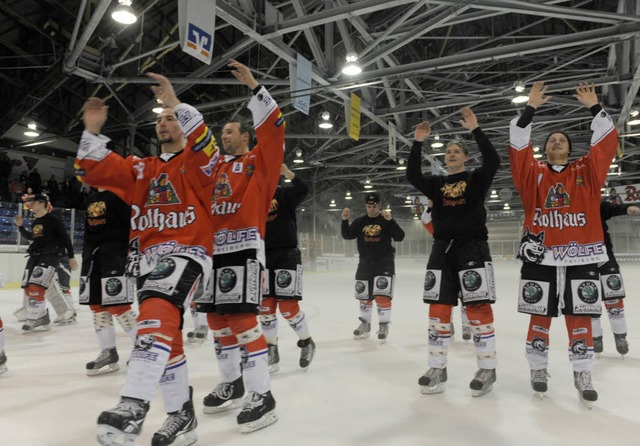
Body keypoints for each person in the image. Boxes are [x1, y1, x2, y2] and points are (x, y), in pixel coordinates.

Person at [77, 69, 219, 446]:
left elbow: (208, 147)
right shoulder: (143, 169)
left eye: (171, 118)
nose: (163, 123)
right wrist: (92, 131)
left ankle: (133, 402)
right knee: (167, 335)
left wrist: (176, 102)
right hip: (149, 260)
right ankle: (181, 416)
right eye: (159, 119)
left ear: (184, 126)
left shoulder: (198, 163)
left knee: (154, 315)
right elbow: (92, 170)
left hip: (187, 251)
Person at [509, 81, 618, 406]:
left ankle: (582, 371)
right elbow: (517, 146)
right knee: (539, 315)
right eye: (551, 140)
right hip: (540, 257)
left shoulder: (588, 172)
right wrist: (530, 108)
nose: (557, 141)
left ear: (570, 148)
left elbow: (607, 142)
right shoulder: (533, 174)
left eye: (562, 140)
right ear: (544, 149)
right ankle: (538, 368)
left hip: (580, 255)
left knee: (580, 316)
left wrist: (594, 107)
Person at [196, 62, 285, 433]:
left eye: (229, 131)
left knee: (243, 320)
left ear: (246, 136)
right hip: (210, 253)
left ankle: (262, 394)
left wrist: (253, 86)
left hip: (244, 248)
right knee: (217, 321)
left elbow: (276, 131)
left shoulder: (257, 164)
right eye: (222, 132)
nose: (224, 136)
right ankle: (232, 381)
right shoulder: (213, 169)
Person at [407, 107, 500, 397]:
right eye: (447, 151)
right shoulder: (436, 185)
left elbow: (494, 161)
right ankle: (437, 366)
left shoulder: (475, 179)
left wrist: (475, 129)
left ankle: (487, 367)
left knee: (477, 307)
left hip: (472, 247)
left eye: (457, 151)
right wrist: (417, 142)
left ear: (465, 157)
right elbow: (412, 175)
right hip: (441, 250)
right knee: (439, 309)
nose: (451, 153)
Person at [260, 163, 316, 374]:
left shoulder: (284, 195)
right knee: (266, 308)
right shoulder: (254, 198)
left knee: (287, 307)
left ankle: (307, 342)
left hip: (286, 255)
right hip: (263, 256)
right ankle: (271, 349)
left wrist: (288, 173)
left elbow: (303, 189)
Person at [80, 187, 137, 376]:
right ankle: (108, 351)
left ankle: (144, 349)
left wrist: (129, 252)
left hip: (116, 254)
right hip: (93, 257)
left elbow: (130, 225)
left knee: (119, 306)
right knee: (96, 306)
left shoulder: (121, 194)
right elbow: (88, 228)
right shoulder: (92, 197)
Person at [341, 193, 405, 343]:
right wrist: (344, 220)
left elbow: (400, 237)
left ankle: (383, 325)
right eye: (368, 206)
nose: (371, 209)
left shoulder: (386, 220)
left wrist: (391, 220)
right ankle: (365, 324)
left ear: (379, 205)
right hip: (364, 264)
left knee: (382, 296)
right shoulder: (360, 222)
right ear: (366, 206)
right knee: (364, 297)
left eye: (374, 206)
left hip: (384, 263)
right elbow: (347, 235)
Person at [13, 193, 78, 332]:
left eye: (33, 202)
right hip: (36, 255)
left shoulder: (53, 220)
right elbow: (33, 237)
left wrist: (71, 257)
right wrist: (20, 227)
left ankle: (36, 317)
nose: (30, 204)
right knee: (27, 287)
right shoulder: (35, 221)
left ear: (42, 203)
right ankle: (41, 315)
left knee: (38, 285)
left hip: (51, 255)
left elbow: (66, 239)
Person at [592, 199, 640, 356]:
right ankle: (595, 337)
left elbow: (613, 209)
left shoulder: (595, 202)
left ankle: (620, 337)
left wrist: (627, 208)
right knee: (588, 300)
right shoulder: (569, 205)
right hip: (579, 259)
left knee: (614, 296)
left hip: (605, 255)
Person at [420, 200, 472, 342]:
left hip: (464, 257)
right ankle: (447, 322)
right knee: (445, 294)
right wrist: (430, 207)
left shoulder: (467, 214)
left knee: (466, 294)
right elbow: (425, 220)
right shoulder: (439, 220)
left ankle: (467, 324)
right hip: (443, 259)